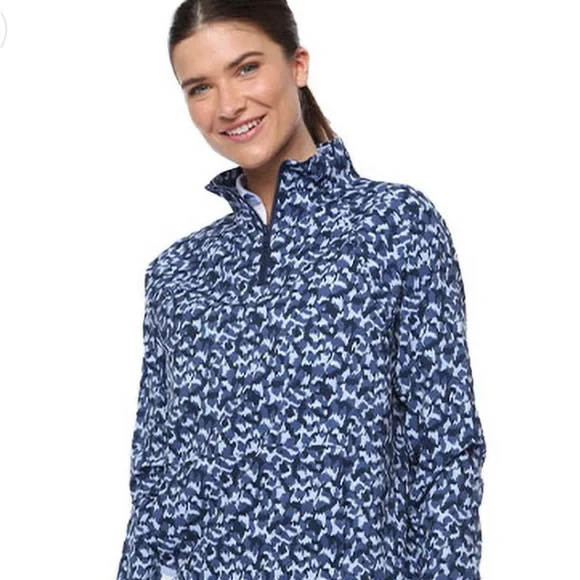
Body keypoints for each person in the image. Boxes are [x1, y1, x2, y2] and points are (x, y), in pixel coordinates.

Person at [115, 1, 487, 579]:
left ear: (298, 65)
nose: (228, 105)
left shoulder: (395, 226)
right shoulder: (176, 273)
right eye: (199, 87)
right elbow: (156, 480)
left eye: (246, 68)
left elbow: (444, 453)